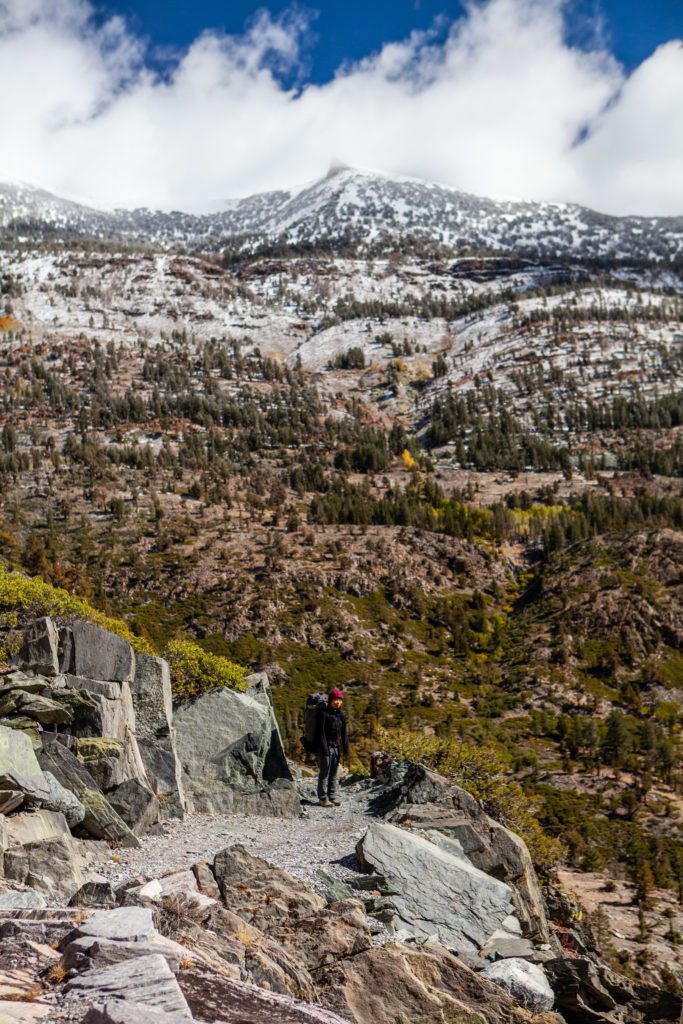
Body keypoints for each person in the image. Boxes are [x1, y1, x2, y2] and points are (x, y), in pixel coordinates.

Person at [315, 688, 349, 807]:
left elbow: (344, 732)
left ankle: (332, 796)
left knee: (333, 772)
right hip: (325, 747)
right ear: (330, 700)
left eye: (340, 700)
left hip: (336, 747)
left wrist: (345, 748)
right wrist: (324, 750)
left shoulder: (340, 715)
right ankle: (323, 798)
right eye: (335, 699)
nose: (338, 702)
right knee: (325, 772)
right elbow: (321, 733)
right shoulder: (324, 714)